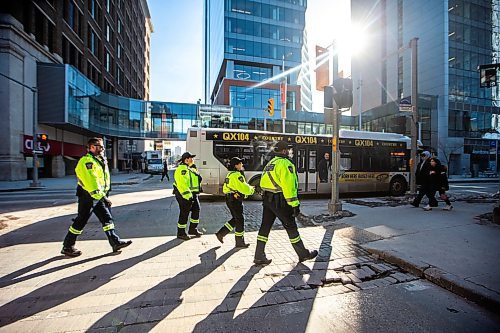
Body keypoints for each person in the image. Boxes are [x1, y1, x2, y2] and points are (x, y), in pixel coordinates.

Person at [61, 138, 132, 257]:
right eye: (99, 146)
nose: (102, 148)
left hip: (97, 195)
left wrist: (104, 193)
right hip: (89, 196)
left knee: (106, 219)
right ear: (92, 147)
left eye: (102, 146)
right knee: (82, 220)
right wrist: (103, 198)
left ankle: (115, 242)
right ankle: (68, 246)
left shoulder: (98, 160)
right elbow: (92, 182)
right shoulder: (87, 161)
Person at [254, 141, 318, 265]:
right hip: (280, 201)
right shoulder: (286, 164)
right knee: (291, 227)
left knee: (265, 227)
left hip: (268, 200)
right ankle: (303, 254)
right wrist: (295, 205)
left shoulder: (271, 163)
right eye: (288, 150)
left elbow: (262, 182)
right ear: (284, 151)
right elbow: (289, 187)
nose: (289, 152)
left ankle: (259, 255)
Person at [215, 157, 255, 248]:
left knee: (235, 219)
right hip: (235, 200)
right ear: (236, 165)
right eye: (240, 163)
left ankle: (221, 233)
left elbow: (227, 188)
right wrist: (252, 190)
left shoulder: (230, 174)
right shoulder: (237, 175)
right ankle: (239, 242)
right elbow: (244, 188)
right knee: (240, 219)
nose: (242, 165)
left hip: (229, 199)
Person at [173, 152, 203, 240]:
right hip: (184, 195)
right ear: (186, 160)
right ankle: (181, 233)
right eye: (191, 158)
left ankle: (192, 229)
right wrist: (188, 196)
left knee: (196, 210)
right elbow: (182, 184)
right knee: (184, 213)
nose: (192, 159)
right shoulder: (182, 169)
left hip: (192, 194)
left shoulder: (189, 168)